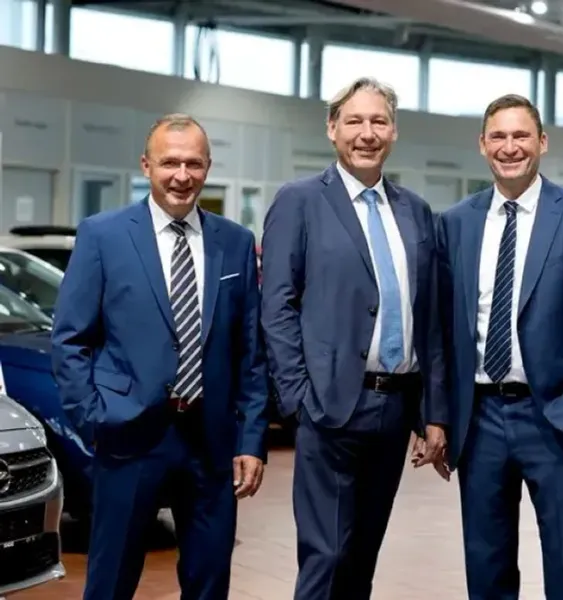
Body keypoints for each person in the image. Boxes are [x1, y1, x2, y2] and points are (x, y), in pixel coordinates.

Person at [51, 113, 269, 600]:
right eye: (170, 162)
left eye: (194, 163)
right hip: (128, 435)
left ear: (208, 166)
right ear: (146, 165)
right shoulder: (103, 235)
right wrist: (93, 419)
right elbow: (70, 339)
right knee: (110, 582)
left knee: (209, 582)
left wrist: (252, 439)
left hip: (211, 441)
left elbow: (250, 353)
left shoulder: (234, 242)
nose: (182, 175)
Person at [260, 77, 448, 600]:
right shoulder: (299, 201)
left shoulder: (415, 210)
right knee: (326, 556)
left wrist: (431, 411)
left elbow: (429, 317)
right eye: (355, 121)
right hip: (329, 406)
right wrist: (298, 398)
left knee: (362, 557)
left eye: (379, 121)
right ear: (331, 128)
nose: (367, 133)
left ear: (394, 131)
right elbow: (276, 305)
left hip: (395, 408)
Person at [435, 94, 563, 600]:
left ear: (542, 141)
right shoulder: (455, 222)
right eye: (498, 136)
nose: (510, 146)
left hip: (557, 417)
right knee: (487, 567)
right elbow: (443, 328)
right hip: (479, 421)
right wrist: (439, 414)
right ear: (482, 144)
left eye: (521, 135)